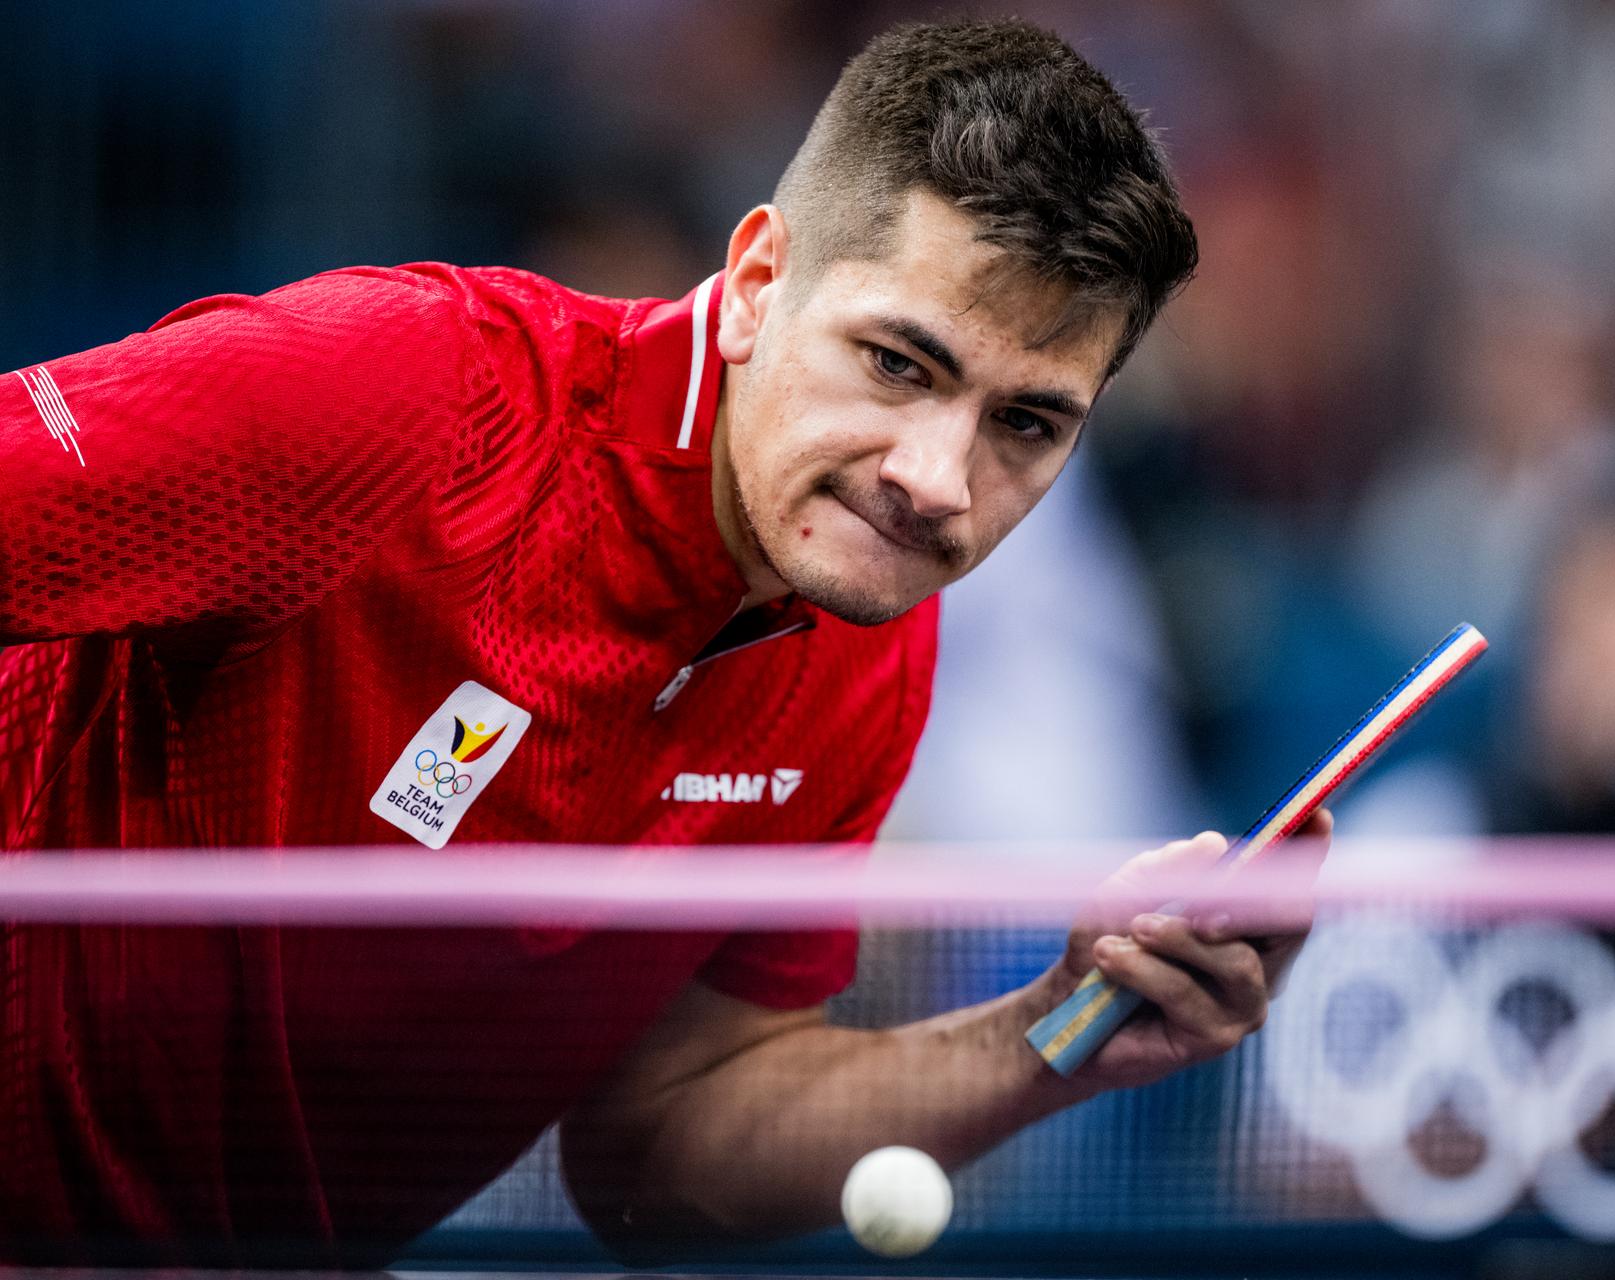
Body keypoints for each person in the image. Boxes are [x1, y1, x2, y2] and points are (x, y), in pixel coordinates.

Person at [0, 19, 1327, 1265]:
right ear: (755, 282)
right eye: (898, 364)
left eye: (1025, 424)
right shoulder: (412, 391)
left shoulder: (868, 640)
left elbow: (659, 1151)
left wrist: (1056, 1031)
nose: (937, 481)